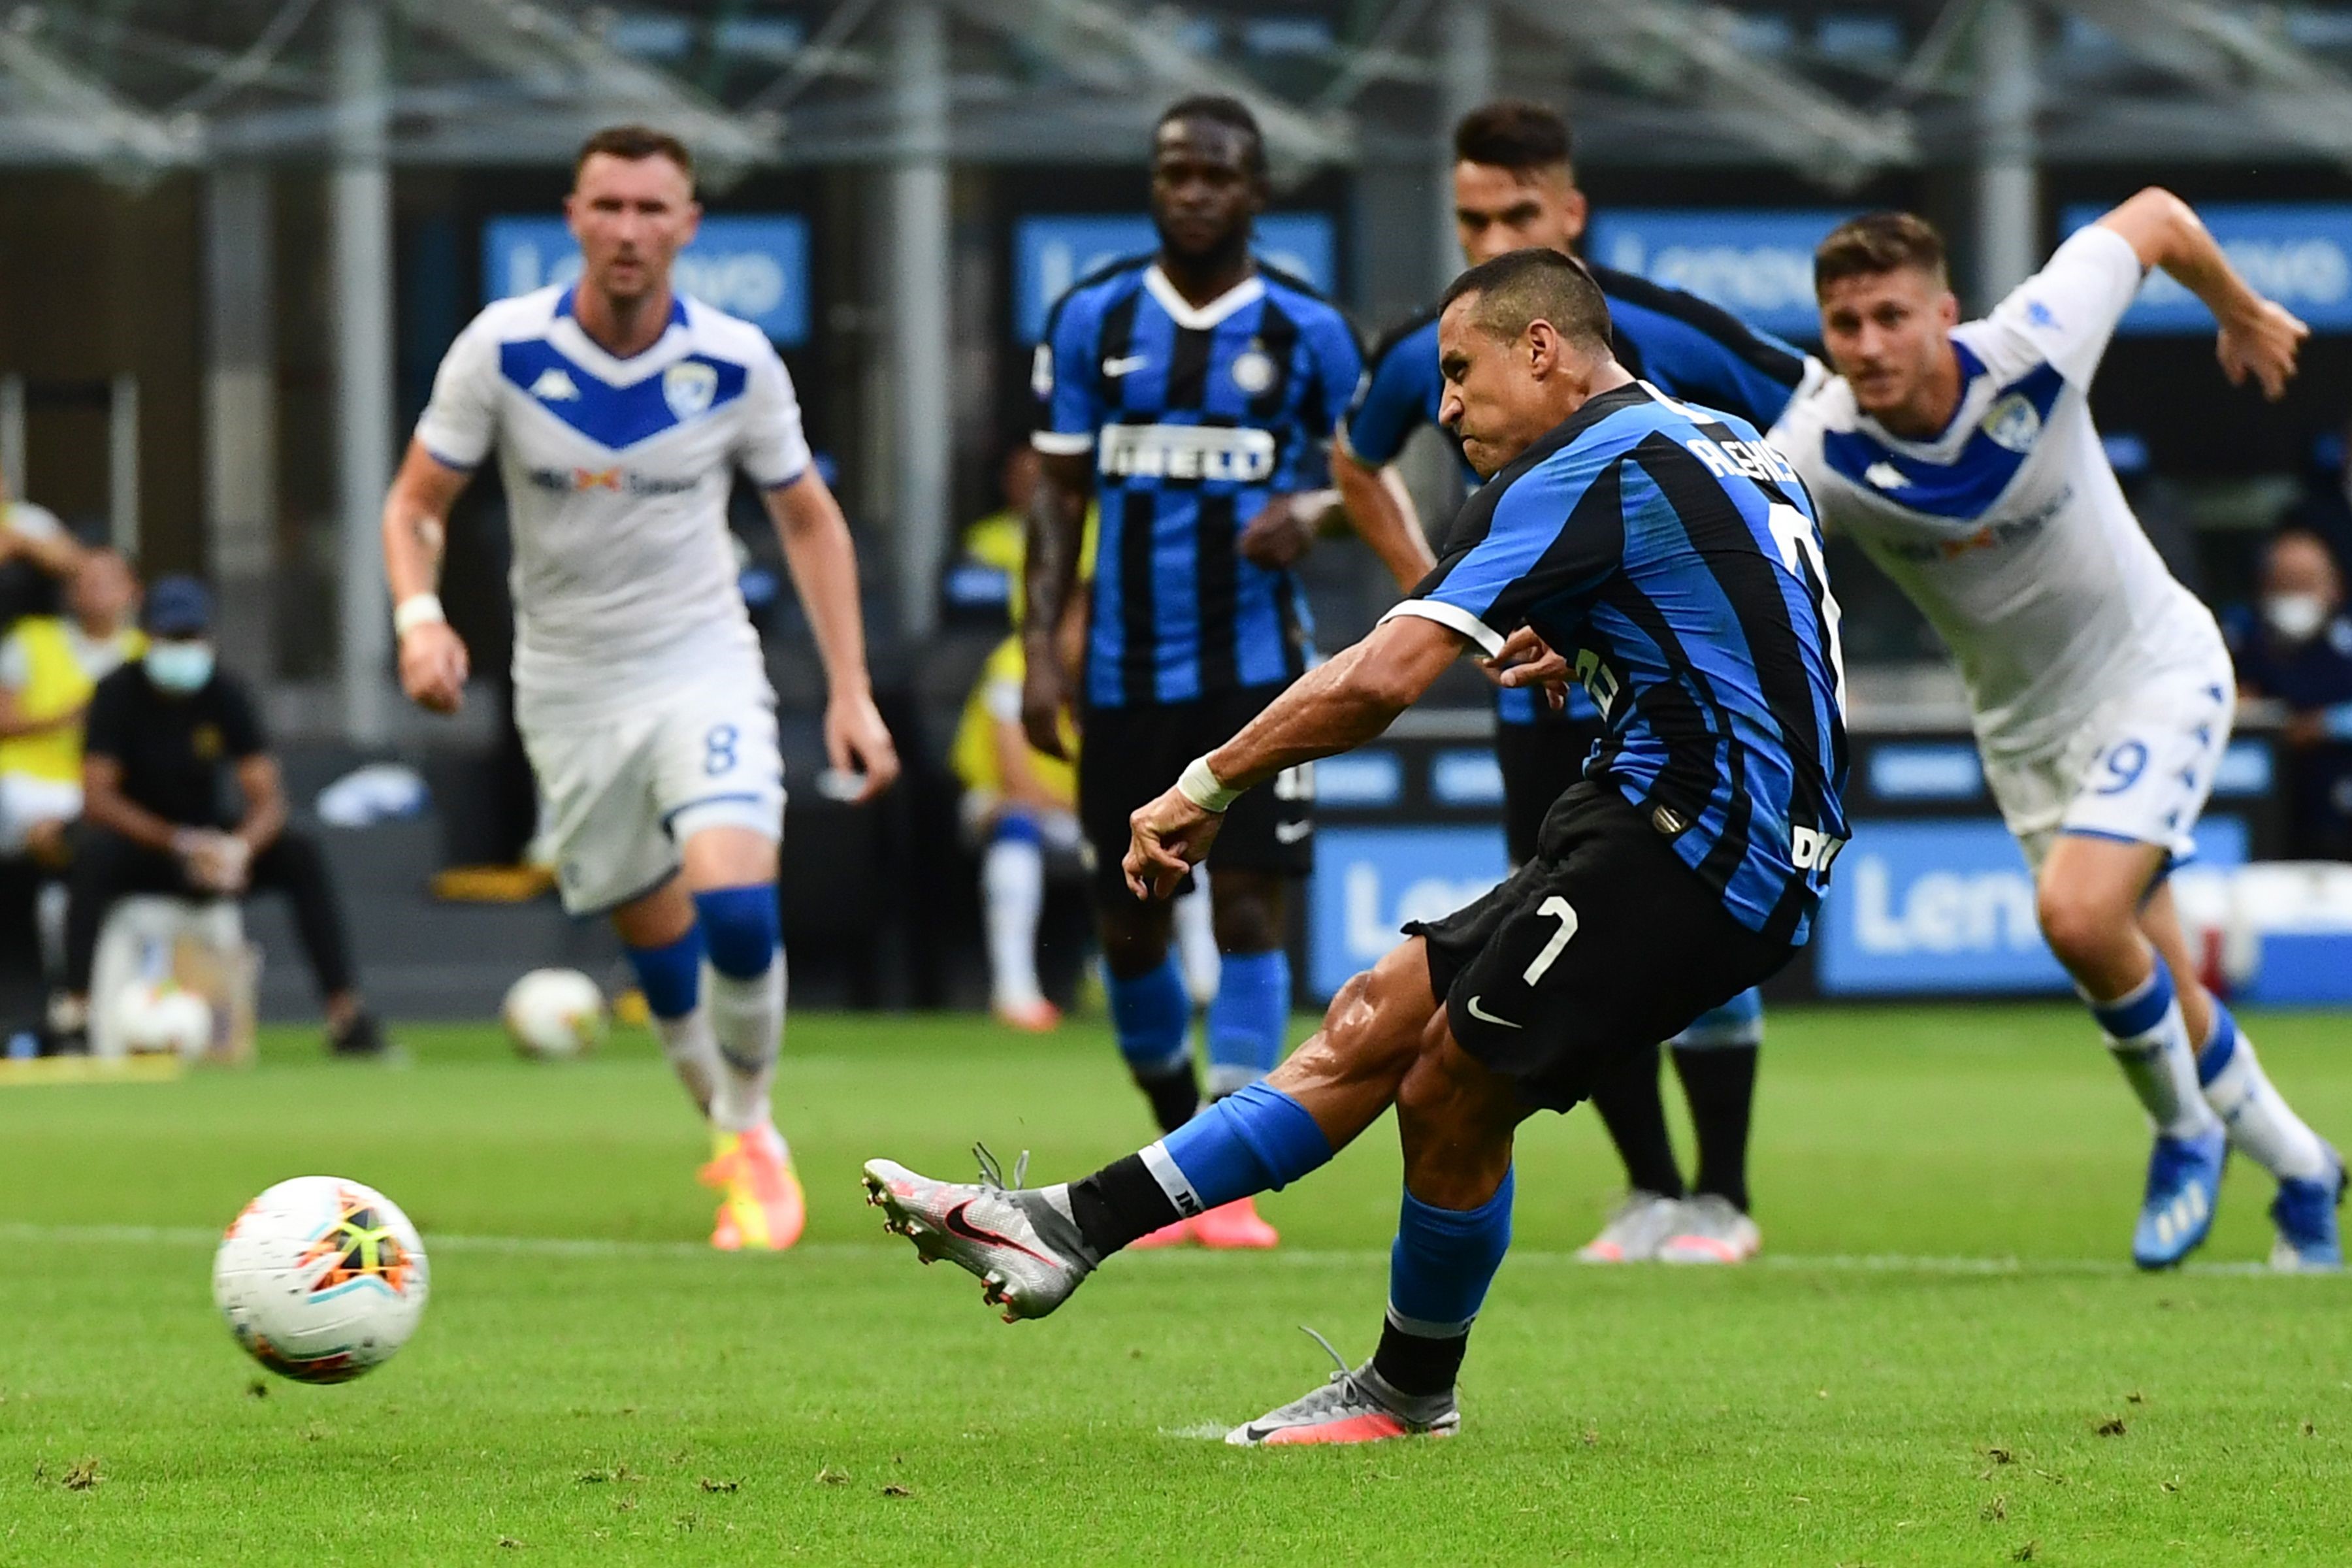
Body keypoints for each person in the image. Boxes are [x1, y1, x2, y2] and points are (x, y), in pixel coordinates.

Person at [865, 248, 1850, 1444]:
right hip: (1708, 820)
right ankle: (1062, 1228)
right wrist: (1590, 642)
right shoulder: (1719, 438)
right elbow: (1744, 611)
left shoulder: (1571, 466)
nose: (1443, 409)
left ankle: (1405, 1393)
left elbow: (1382, 680)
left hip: (1693, 835)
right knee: (1378, 1013)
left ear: (1542, 349)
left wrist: (1208, 783)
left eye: (1458, 371)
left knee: (1450, 1087)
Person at [1770, 195, 2344, 1271]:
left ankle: (2184, 1135)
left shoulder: (2035, 338)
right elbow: (1732, 552)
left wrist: (2241, 308)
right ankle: (2307, 1171)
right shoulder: (1819, 447)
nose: (1869, 345)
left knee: (2079, 918)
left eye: (1893, 316)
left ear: (1946, 310)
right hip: (2026, 739)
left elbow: (2161, 218)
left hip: (2156, 674)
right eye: (1845, 326)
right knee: (2155, 978)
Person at [382, 125, 898, 1251]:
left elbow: (808, 518)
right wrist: (420, 617)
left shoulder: (735, 361)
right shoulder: (502, 350)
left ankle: (754, 1132)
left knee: (735, 898)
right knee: (658, 942)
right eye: (607, 206)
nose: (628, 229)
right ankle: (727, 1131)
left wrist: (851, 692)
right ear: (573, 216)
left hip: (701, 661)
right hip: (567, 688)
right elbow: (414, 504)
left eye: (651, 209)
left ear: (688, 226)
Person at [1333, 101, 1821, 1266]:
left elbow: (1809, 414)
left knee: (1682, 920)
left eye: (1516, 211)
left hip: (1683, 711)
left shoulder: (1666, 333)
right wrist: (1442, 601)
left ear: (1571, 213)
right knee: (1562, 923)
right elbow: (1356, 461)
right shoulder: (1430, 350)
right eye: (1471, 213)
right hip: (1541, 698)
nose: (1490, 229)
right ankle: (1652, 1189)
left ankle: (1725, 1195)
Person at [1021, 96, 1427, 1249]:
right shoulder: (1093, 316)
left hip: (1256, 675)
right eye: (1174, 173)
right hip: (1117, 674)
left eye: (1216, 176)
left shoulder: (1309, 330)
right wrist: (1041, 653)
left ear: (1257, 190)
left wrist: (1311, 510)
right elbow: (1055, 501)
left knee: (1250, 907)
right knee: (1131, 925)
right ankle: (1171, 1152)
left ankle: (1226, 1174)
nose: (1193, 192)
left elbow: (1372, 487)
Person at [57, 576, 384, 1057]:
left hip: (211, 847)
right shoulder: (117, 693)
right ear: (148, 637)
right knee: (92, 859)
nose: (182, 649)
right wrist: (176, 842)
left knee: (299, 856)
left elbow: (269, 799)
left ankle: (345, 1015)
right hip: (146, 845)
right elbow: (98, 798)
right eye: (171, 638)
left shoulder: (224, 693)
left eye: (191, 638)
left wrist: (238, 849)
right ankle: (76, 1016)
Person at [0, 550, 142, 866]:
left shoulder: (146, 654)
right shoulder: (32, 639)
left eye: (106, 582)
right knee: (54, 834)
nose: (95, 591)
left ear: (133, 591)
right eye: (85, 581)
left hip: (118, 786)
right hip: (34, 781)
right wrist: (67, 718)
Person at [2225, 529, 2352, 860]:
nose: (2295, 594)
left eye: (2306, 582)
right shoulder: (2241, 645)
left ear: (2335, 586)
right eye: (2285, 582)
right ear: (2264, 586)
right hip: (2266, 826)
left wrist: (2325, 725)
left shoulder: (2346, 647)